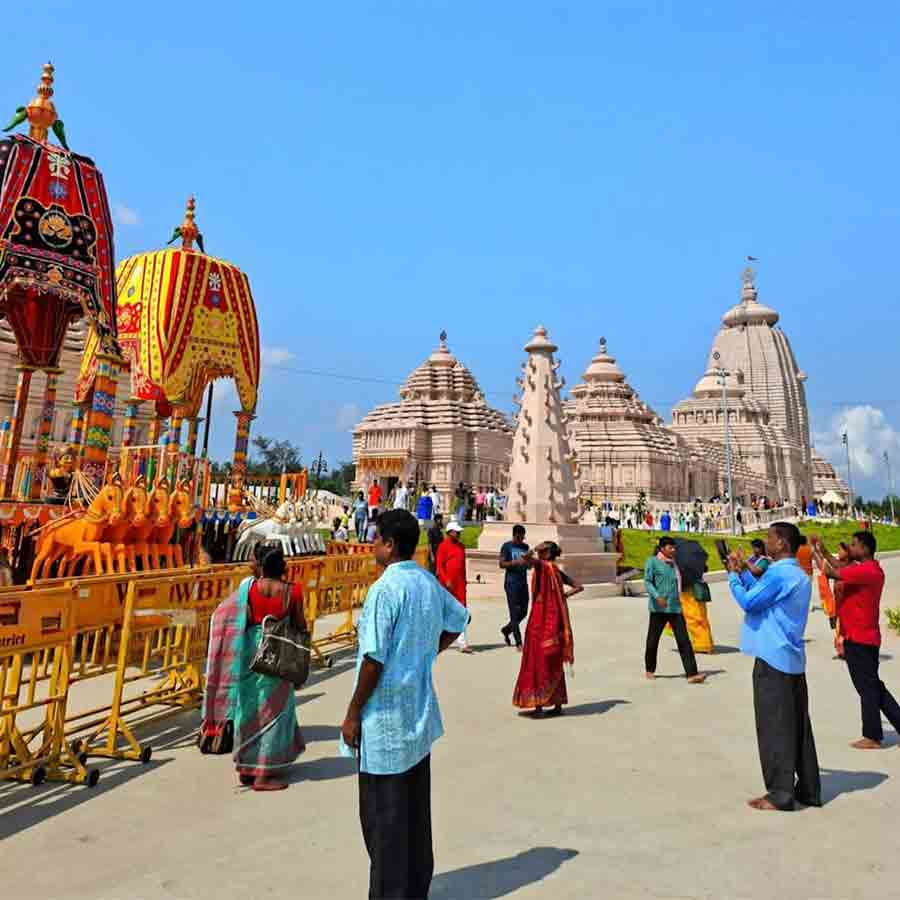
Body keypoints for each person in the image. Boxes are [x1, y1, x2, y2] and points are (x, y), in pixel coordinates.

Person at [339, 509, 468, 900]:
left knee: (383, 822)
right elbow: (459, 618)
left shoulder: (385, 590)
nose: (371, 544)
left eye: (376, 538)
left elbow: (373, 658)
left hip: (385, 723)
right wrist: (424, 655)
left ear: (390, 545)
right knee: (414, 815)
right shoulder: (426, 582)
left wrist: (351, 712)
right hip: (417, 717)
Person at [726, 522, 821, 811]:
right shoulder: (797, 574)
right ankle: (808, 788)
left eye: (770, 537)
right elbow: (764, 595)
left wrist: (732, 576)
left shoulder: (778, 574)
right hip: (791, 657)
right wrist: (743, 572)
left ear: (782, 543)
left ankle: (780, 793)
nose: (766, 542)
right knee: (798, 725)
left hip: (772, 657)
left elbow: (750, 601)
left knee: (774, 726)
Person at [200, 547, 306, 792]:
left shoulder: (249, 590)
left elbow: (237, 616)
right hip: (277, 651)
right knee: (274, 714)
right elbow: (300, 625)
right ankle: (264, 774)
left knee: (248, 708)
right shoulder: (292, 591)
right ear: (282, 567)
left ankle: (247, 767)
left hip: (249, 651)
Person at [812, 531, 900, 749]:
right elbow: (836, 566)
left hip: (862, 638)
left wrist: (814, 552)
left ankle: (872, 736)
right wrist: (820, 550)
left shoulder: (868, 571)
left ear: (865, 549)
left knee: (867, 688)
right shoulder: (862, 569)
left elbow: (832, 572)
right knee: (872, 686)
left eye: (854, 544)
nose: (850, 548)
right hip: (858, 636)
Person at [512, 541, 580, 716]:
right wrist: (561, 597)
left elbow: (526, 558)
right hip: (555, 621)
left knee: (537, 660)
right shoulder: (555, 570)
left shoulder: (543, 566)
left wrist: (534, 548)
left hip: (540, 621)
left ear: (547, 552)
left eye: (542, 551)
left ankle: (539, 706)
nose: (539, 554)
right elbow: (578, 587)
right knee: (553, 660)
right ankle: (557, 705)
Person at [643, 537, 706, 683]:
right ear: (662, 548)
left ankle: (691, 673)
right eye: (670, 547)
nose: (673, 550)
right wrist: (657, 596)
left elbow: (677, 584)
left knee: (684, 640)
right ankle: (650, 669)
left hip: (675, 607)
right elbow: (647, 581)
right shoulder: (652, 562)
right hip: (659, 608)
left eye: (674, 547)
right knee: (653, 639)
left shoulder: (674, 564)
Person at [436, 521, 470, 652]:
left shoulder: (461, 547)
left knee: (462, 612)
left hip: (460, 584)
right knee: (444, 613)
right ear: (449, 532)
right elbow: (440, 567)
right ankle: (437, 640)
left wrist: (465, 581)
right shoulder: (443, 546)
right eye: (457, 532)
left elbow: (462, 566)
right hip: (447, 585)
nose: (459, 534)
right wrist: (446, 580)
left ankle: (462, 643)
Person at [499, 524, 532, 649]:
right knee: (513, 612)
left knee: (523, 611)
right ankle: (519, 642)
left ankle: (507, 629)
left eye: (523, 538)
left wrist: (529, 563)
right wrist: (515, 562)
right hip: (511, 582)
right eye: (519, 537)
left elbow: (528, 565)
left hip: (523, 582)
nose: (521, 540)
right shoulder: (507, 547)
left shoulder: (525, 547)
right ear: (515, 535)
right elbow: (501, 564)